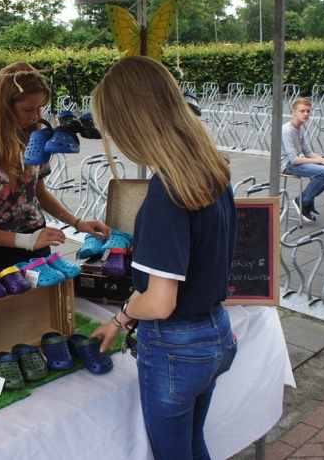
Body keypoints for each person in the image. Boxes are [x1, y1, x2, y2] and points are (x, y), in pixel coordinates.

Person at [90, 56, 237, 459]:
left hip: (177, 347)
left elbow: (159, 302)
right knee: (192, 444)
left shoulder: (166, 192)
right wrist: (120, 321)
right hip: (216, 332)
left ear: (131, 123)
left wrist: (124, 313)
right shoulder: (211, 168)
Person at [0, 61, 110, 275]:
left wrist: (78, 222)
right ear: (3, 106)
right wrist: (25, 241)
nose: (35, 116)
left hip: (37, 241)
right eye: (28, 109)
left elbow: (39, 192)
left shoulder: (34, 134)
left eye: (38, 108)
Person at [281, 97, 324, 223]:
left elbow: (308, 152)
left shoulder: (300, 128)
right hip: (286, 164)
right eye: (302, 111)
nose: (306, 114)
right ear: (293, 112)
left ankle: (307, 199)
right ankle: (302, 201)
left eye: (308, 111)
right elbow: (293, 160)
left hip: (297, 161)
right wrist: (321, 161)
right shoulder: (286, 130)